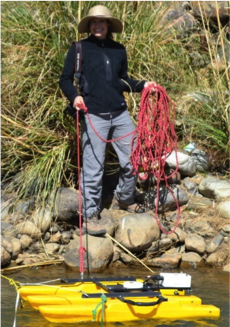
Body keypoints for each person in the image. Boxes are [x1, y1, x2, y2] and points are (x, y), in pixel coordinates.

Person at [59, 5, 156, 235]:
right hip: (93, 116)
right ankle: (91, 214)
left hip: (120, 114)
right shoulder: (78, 48)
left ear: (109, 25)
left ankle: (125, 198)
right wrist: (75, 97)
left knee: (132, 160)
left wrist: (143, 86)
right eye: (93, 22)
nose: (97, 25)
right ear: (89, 25)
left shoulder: (119, 49)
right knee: (94, 168)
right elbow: (64, 79)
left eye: (102, 22)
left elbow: (121, 81)